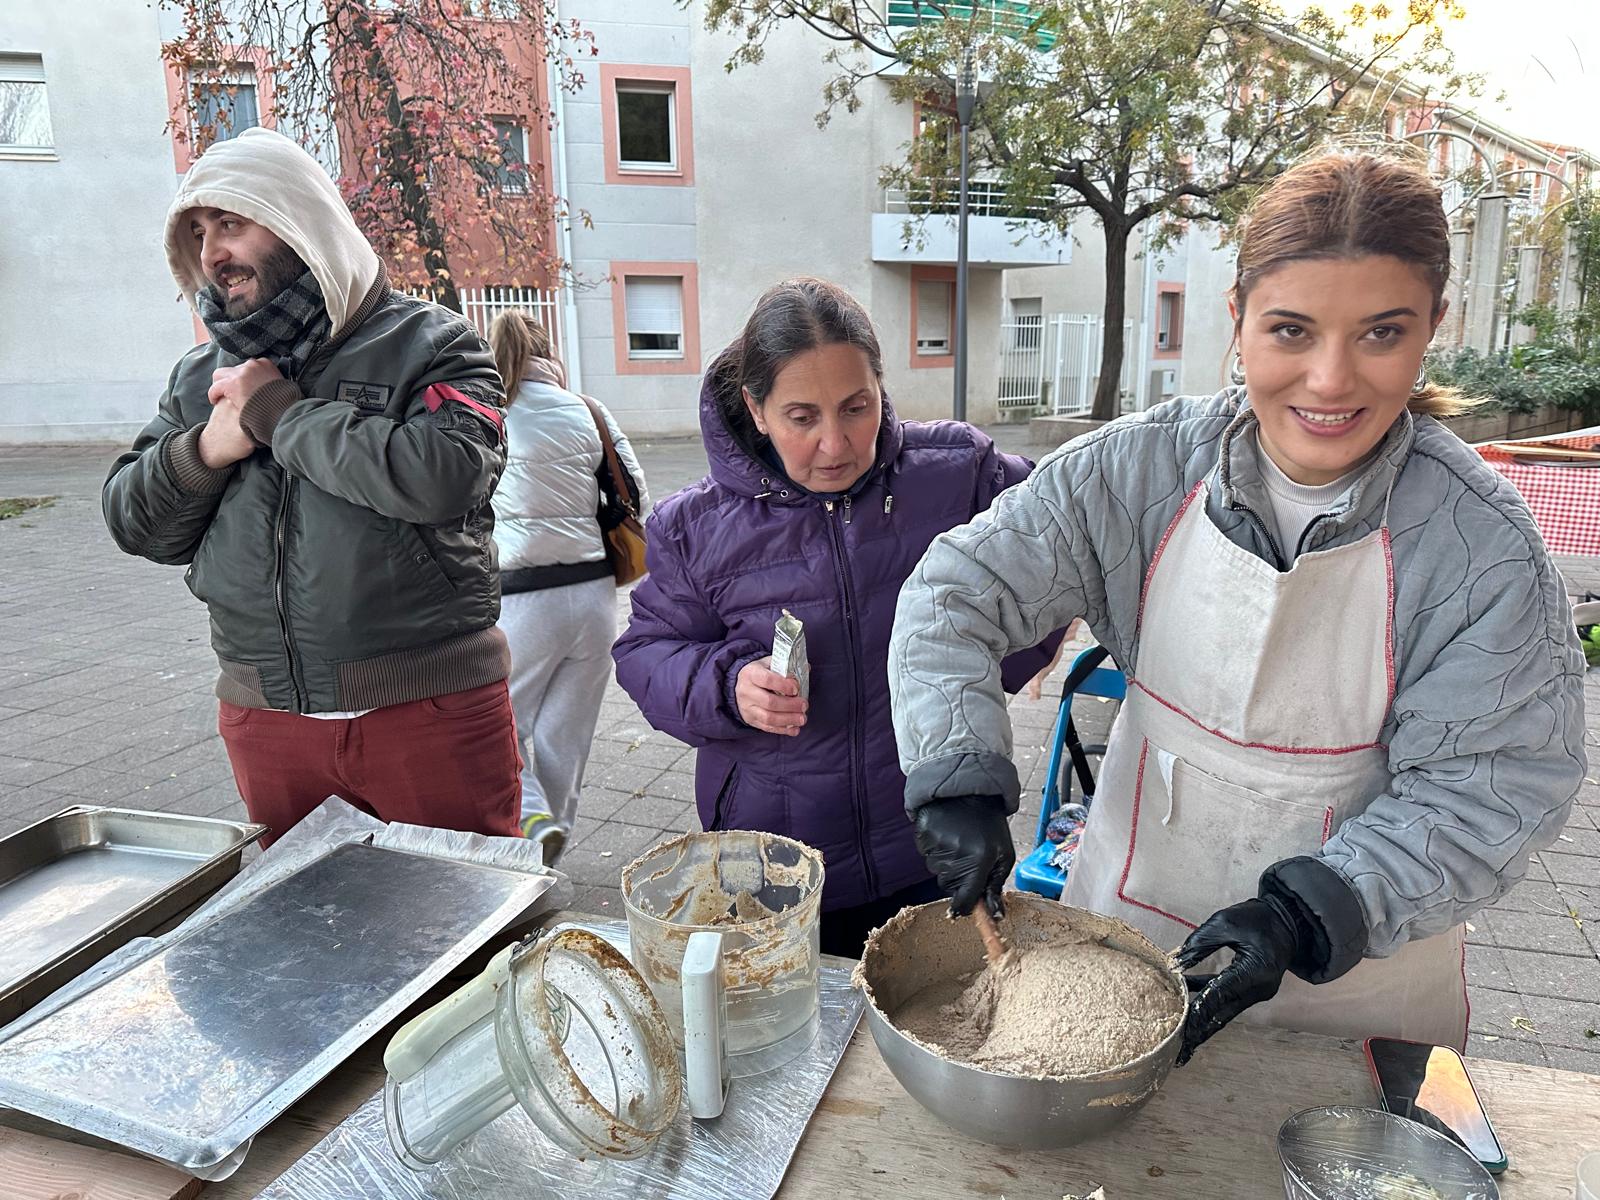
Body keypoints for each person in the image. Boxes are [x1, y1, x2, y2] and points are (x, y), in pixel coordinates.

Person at [889, 149, 1587, 1061]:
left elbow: (1494, 786)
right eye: (1292, 330)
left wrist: (1311, 911)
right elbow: (954, 595)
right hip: (1121, 957)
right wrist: (956, 770)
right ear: (1239, 318)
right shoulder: (1133, 474)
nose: (1330, 380)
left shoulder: (1479, 549)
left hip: (1357, 997)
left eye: (1381, 334)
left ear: (1433, 328)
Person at [612, 277, 1061, 957]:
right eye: (802, 417)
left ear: (881, 387)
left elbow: (1058, 552)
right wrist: (728, 685)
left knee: (940, 1008)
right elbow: (646, 652)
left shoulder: (959, 473)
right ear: (756, 409)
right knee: (790, 1016)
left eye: (857, 407)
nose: (835, 444)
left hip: (932, 842)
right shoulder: (692, 528)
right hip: (777, 864)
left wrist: (984, 672)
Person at [103, 127, 521, 844]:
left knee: (468, 909)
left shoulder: (434, 343)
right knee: (303, 911)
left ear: (298, 219)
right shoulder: (201, 377)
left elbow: (448, 476)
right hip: (264, 718)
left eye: (231, 222)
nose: (213, 253)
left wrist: (281, 416)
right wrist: (207, 448)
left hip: (429, 709)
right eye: (199, 234)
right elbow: (135, 523)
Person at [487, 311, 649, 863]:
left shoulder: (486, 414)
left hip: (521, 598)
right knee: (566, 737)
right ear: (548, 354)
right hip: (595, 595)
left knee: (499, 725)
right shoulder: (589, 410)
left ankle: (532, 821)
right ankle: (549, 856)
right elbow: (635, 492)